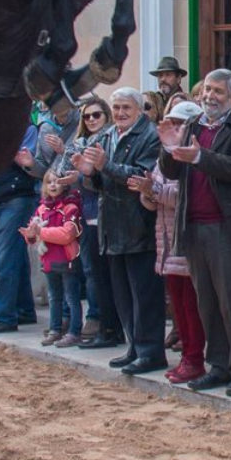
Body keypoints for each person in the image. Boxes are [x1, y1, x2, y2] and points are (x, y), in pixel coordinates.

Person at [158, 69, 231, 397]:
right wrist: (169, 147)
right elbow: (172, 170)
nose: (210, 97)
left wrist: (200, 156)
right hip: (194, 226)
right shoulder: (192, 125)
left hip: (227, 228)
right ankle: (217, 366)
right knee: (208, 303)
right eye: (207, 90)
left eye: (218, 92)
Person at [73, 88, 165, 375]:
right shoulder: (108, 135)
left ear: (139, 109)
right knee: (122, 294)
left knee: (144, 294)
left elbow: (140, 176)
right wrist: (89, 173)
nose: (120, 113)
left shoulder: (150, 136)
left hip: (138, 224)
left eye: (126, 107)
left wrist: (105, 166)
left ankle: (151, 352)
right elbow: (99, 184)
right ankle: (134, 348)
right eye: (116, 108)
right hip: (111, 225)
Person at [130, 99, 207, 384]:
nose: (173, 128)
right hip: (166, 240)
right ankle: (186, 356)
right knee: (177, 306)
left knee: (190, 306)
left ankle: (194, 358)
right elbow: (155, 201)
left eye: (178, 124)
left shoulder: (193, 154)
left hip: (184, 241)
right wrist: (147, 192)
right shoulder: (166, 154)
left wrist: (154, 190)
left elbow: (181, 196)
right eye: (171, 123)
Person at [69, 98, 123, 349]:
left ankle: (109, 327)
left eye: (96, 115)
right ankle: (104, 326)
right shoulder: (79, 142)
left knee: (107, 276)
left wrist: (88, 174)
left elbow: (105, 179)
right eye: (87, 116)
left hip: (106, 214)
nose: (91, 120)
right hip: (87, 212)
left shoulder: (108, 140)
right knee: (94, 273)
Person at [0, 121, 40, 335]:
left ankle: (4, 316)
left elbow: (26, 159)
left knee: (4, 259)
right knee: (15, 256)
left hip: (17, 196)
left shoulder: (26, 127)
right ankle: (24, 309)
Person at [22, 170, 84, 348]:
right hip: (48, 260)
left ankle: (74, 332)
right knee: (54, 297)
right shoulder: (41, 209)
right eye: (49, 182)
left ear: (66, 184)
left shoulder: (71, 207)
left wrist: (41, 232)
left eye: (57, 181)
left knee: (72, 297)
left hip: (68, 259)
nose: (53, 185)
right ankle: (55, 330)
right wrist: (30, 235)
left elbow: (67, 234)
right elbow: (33, 236)